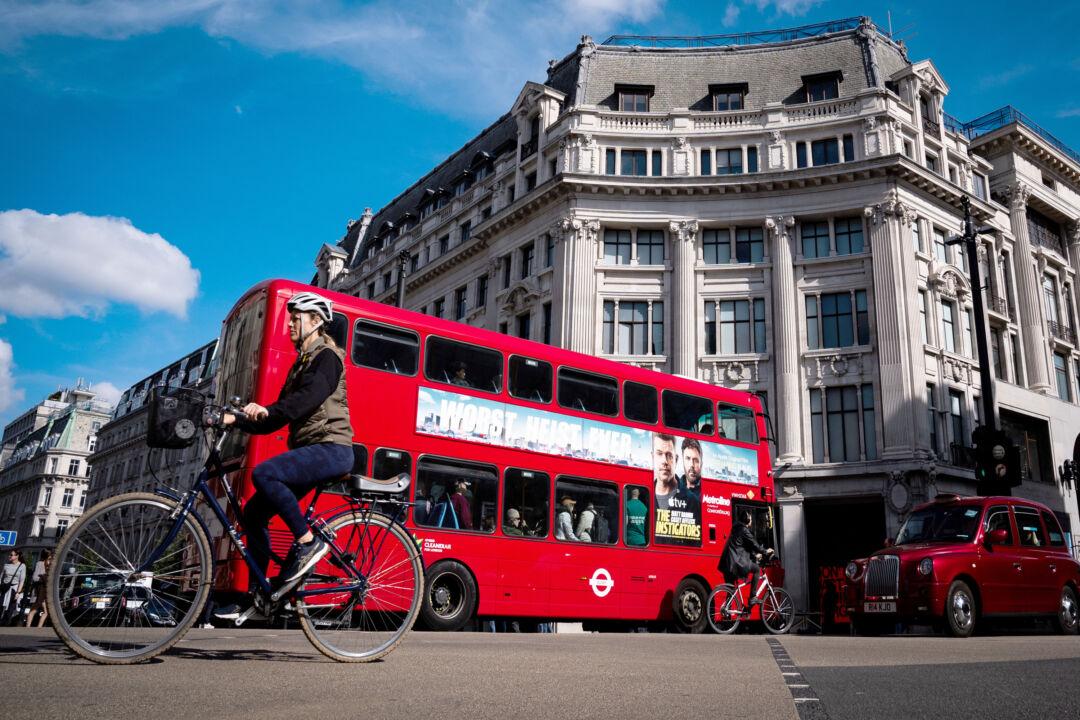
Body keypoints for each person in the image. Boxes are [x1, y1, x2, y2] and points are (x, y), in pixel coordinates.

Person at [216, 292, 355, 619]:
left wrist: (264, 411)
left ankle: (308, 542)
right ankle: (261, 594)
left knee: (264, 474)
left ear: (316, 321)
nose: (290, 323)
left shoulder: (328, 357)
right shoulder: (301, 363)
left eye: (297, 318)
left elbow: (307, 400)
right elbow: (277, 417)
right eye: (290, 318)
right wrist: (239, 420)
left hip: (332, 448)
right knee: (253, 513)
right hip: (313, 448)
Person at [719, 510, 772, 606]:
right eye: (750, 519)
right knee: (756, 569)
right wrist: (765, 551)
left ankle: (726, 610)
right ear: (747, 519)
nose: (751, 521)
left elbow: (743, 547)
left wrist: (754, 555)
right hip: (734, 562)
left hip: (726, 563)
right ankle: (753, 597)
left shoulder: (736, 529)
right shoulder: (744, 530)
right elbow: (753, 544)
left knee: (731, 589)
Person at [25, 549, 51, 628]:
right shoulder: (39, 564)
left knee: (46, 612)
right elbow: (35, 578)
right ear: (45, 558)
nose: (50, 561)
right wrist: (44, 577)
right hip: (38, 591)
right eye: (49, 559)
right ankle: (27, 627)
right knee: (34, 609)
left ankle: (38, 628)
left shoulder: (50, 566)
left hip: (44, 592)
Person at [652, 433, 679, 509]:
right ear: (652, 457)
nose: (664, 461)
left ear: (676, 460)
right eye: (659, 454)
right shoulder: (644, 496)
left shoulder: (692, 501)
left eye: (669, 455)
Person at [1, 549, 26, 625]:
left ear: (17, 556)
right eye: (10, 555)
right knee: (0, 605)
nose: (10, 556)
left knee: (10, 608)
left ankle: (5, 623)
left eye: (12, 555)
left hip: (14, 589)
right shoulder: (6, 565)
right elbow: (1, 577)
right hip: (4, 588)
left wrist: (18, 592)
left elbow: (22, 580)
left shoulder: (22, 566)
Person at [679, 437, 703, 502]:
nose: (691, 465)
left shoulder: (707, 490)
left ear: (701, 463)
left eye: (695, 460)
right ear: (683, 461)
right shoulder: (675, 487)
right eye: (688, 458)